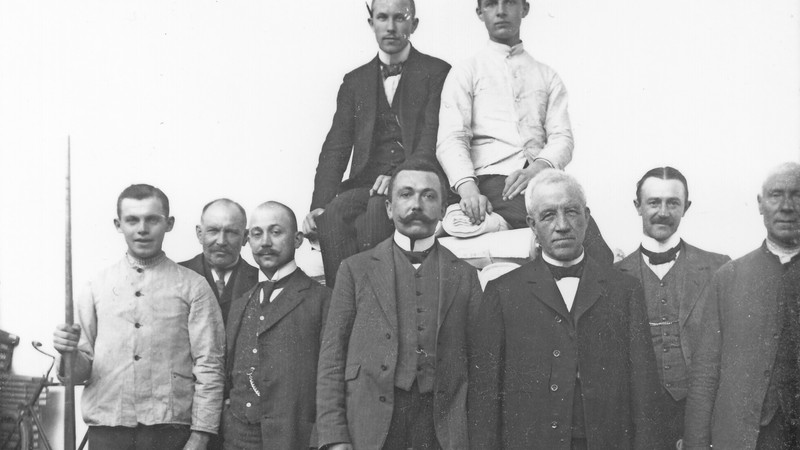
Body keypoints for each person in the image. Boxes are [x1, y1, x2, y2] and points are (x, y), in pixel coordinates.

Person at [468, 169, 663, 449]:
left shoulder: (624, 290)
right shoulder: (503, 292)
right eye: (548, 215)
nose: (562, 225)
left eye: (571, 212)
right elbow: (485, 398)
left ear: (586, 217)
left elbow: (644, 392)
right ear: (532, 224)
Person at [316, 160, 482, 450]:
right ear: (389, 208)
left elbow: (481, 365)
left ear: (443, 209)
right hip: (371, 429)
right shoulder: (354, 270)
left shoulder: (465, 275)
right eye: (406, 194)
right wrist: (334, 438)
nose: (416, 204)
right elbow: (331, 359)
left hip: (441, 431)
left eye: (428, 195)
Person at [436, 0, 612, 264]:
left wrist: (538, 168)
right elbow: (452, 138)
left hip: (542, 179)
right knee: (570, 238)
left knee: (596, 248)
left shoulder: (546, 75)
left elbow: (562, 137)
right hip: (491, 182)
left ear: (525, 8)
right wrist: (469, 190)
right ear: (479, 12)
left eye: (510, 2)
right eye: (491, 4)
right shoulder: (466, 71)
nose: (501, 11)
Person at [52, 184, 225, 450]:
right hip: (107, 431)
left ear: (169, 224)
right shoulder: (96, 286)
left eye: (152, 220)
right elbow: (78, 373)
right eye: (132, 220)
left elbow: (210, 365)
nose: (142, 229)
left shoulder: (194, 286)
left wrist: (201, 435)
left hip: (170, 433)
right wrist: (68, 352)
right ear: (118, 225)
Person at [303, 0, 451, 286]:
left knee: (375, 214)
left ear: (414, 24)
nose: (391, 27)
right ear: (371, 24)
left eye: (400, 18)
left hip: (415, 180)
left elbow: (431, 137)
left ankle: (378, 303)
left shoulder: (437, 72)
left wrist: (400, 176)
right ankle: (343, 301)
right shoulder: (354, 81)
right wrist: (319, 205)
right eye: (383, 17)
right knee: (331, 216)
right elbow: (335, 148)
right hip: (365, 183)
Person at [684, 162, 800, 449]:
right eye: (776, 195)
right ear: (760, 203)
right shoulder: (729, 277)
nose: (786, 206)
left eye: (797, 195)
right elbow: (705, 374)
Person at [615, 167, 730, 448]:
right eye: (654, 202)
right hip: (638, 419)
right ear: (638, 206)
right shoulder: (613, 276)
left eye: (673, 203)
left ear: (686, 207)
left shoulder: (719, 268)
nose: (663, 212)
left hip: (701, 413)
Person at [222, 201, 331, 449]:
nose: (265, 242)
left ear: (297, 240)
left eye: (276, 232)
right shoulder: (239, 304)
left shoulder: (322, 299)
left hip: (293, 439)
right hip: (237, 438)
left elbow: (331, 380)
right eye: (257, 234)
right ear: (248, 240)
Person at [180, 198, 258, 325]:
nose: (221, 241)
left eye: (231, 232)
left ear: (245, 237)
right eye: (213, 231)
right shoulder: (176, 275)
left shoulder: (261, 280)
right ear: (200, 234)